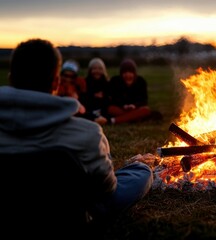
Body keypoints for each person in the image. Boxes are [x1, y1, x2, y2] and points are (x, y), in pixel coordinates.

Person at [0, 38, 153, 233]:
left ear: (11, 77)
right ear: (56, 82)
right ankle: (135, 167)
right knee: (141, 172)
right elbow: (106, 188)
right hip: (72, 216)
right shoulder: (87, 133)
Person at [106, 58, 163, 124]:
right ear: (121, 73)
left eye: (130, 72)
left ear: (134, 73)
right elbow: (112, 99)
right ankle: (134, 118)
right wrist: (123, 105)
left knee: (145, 110)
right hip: (121, 109)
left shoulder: (140, 81)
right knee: (110, 109)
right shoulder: (115, 81)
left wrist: (134, 105)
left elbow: (144, 100)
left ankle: (113, 120)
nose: (127, 75)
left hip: (136, 109)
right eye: (125, 72)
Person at [81, 57, 111, 125]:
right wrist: (93, 95)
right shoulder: (85, 83)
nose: (97, 71)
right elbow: (83, 98)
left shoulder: (107, 83)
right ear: (90, 70)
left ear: (103, 70)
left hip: (104, 109)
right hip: (89, 108)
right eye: (94, 68)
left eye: (100, 69)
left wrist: (103, 96)